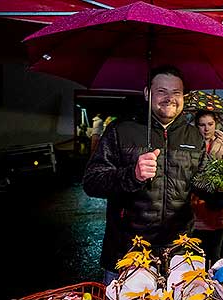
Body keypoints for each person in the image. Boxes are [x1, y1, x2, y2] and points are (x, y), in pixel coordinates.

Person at [82, 65, 205, 285]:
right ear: (147, 93)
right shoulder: (121, 130)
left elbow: (203, 186)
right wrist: (132, 175)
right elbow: (92, 182)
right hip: (127, 251)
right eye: (161, 91)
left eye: (176, 93)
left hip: (178, 254)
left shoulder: (194, 136)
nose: (170, 98)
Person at [191, 110, 223, 267]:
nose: (207, 129)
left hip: (221, 210)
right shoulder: (190, 143)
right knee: (198, 258)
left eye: (210, 124)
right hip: (197, 208)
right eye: (202, 125)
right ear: (196, 126)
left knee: (218, 257)